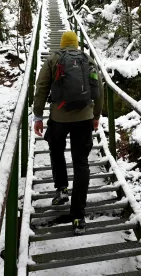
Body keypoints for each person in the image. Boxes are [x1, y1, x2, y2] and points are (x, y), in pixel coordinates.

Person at [32, 31, 103, 235]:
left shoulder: (54, 58)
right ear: (77, 44)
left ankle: (61, 188)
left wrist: (38, 116)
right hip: (84, 119)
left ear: (62, 45)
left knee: (56, 150)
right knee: (81, 163)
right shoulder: (87, 60)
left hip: (59, 118)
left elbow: (42, 86)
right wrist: (96, 115)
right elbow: (98, 88)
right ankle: (78, 216)